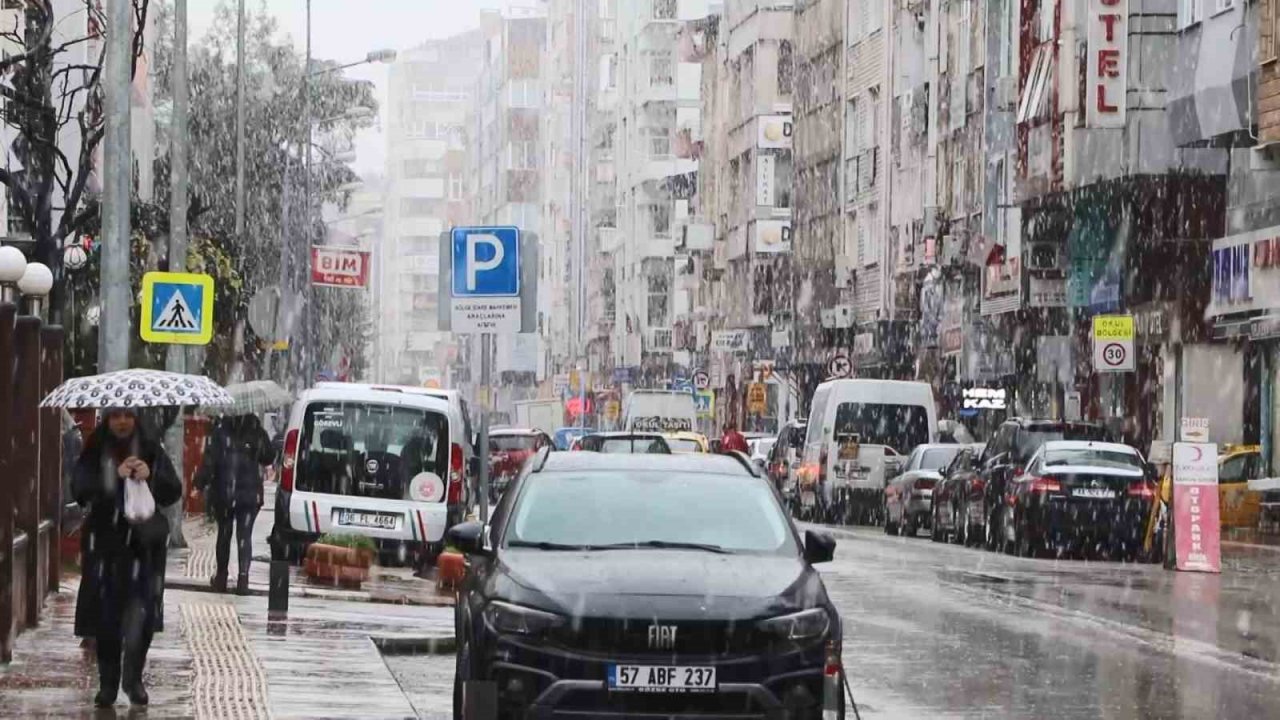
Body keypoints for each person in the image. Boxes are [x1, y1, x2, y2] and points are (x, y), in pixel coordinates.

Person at [72, 408, 181, 708]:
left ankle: (133, 679)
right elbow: (81, 489)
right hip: (105, 548)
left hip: (143, 551)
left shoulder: (150, 448)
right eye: (116, 416)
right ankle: (108, 683)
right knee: (106, 621)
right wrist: (114, 476)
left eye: (128, 416)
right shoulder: (95, 449)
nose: (122, 421)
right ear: (108, 420)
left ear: (136, 419)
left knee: (140, 618)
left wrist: (151, 474)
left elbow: (173, 491)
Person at [197, 414, 273, 594]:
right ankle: (243, 579)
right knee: (244, 536)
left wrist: (199, 483)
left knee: (224, 534)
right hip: (249, 494)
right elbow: (268, 457)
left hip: (224, 492)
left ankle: (221, 578)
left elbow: (210, 461)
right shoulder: (255, 430)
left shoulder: (220, 431)